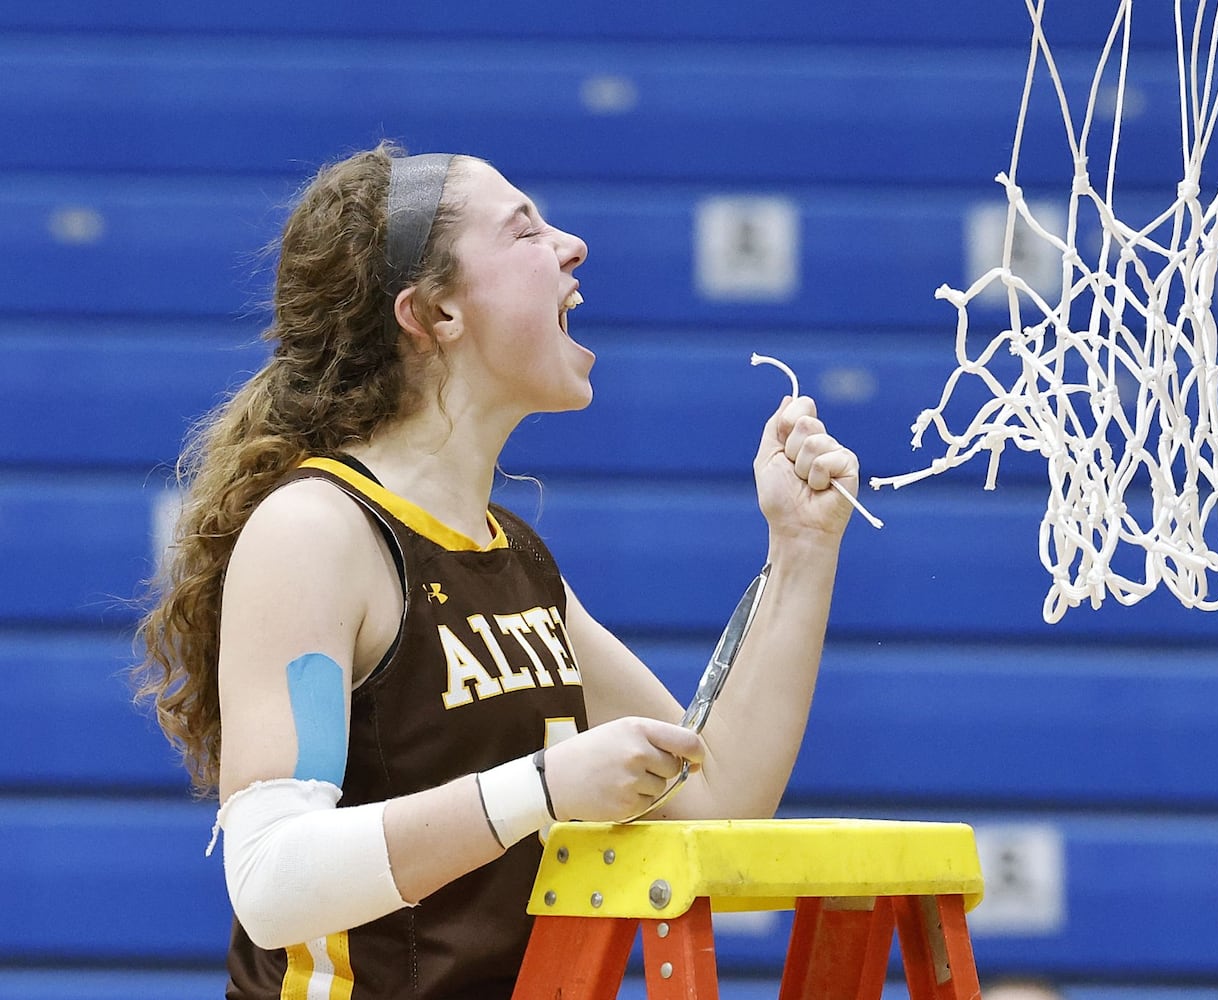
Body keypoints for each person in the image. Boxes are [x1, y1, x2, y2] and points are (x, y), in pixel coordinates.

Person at [134, 142, 860, 999]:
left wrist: (803, 549)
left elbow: (718, 797)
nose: (571, 245)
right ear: (435, 314)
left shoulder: (511, 555)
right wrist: (542, 788)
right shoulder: (315, 529)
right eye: (525, 231)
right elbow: (272, 880)